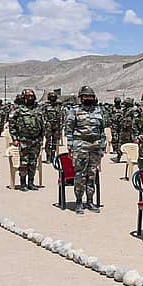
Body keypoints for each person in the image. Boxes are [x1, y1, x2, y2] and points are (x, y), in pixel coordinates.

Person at [65, 86, 106, 214]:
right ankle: (78, 202)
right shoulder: (74, 111)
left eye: (90, 96)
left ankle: (90, 201)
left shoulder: (98, 111)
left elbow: (102, 130)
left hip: (95, 147)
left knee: (92, 175)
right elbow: (69, 130)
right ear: (81, 98)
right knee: (80, 175)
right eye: (86, 96)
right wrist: (71, 147)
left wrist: (103, 146)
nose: (88, 98)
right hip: (80, 146)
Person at [8, 89, 44, 189]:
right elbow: (12, 125)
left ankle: (31, 182)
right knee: (24, 163)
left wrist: (42, 136)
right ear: (24, 98)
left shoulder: (39, 109)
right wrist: (14, 138)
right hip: (23, 140)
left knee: (33, 163)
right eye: (28, 97)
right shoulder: (18, 110)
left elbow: (43, 124)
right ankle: (23, 183)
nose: (30, 98)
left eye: (32, 96)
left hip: (35, 140)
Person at [41, 91, 64, 163]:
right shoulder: (46, 106)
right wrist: (44, 124)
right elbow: (42, 116)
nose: (52, 98)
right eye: (51, 97)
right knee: (48, 142)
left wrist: (61, 126)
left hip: (56, 125)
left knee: (55, 142)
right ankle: (48, 156)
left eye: (54, 97)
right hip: (48, 125)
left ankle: (53, 157)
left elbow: (62, 116)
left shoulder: (59, 106)